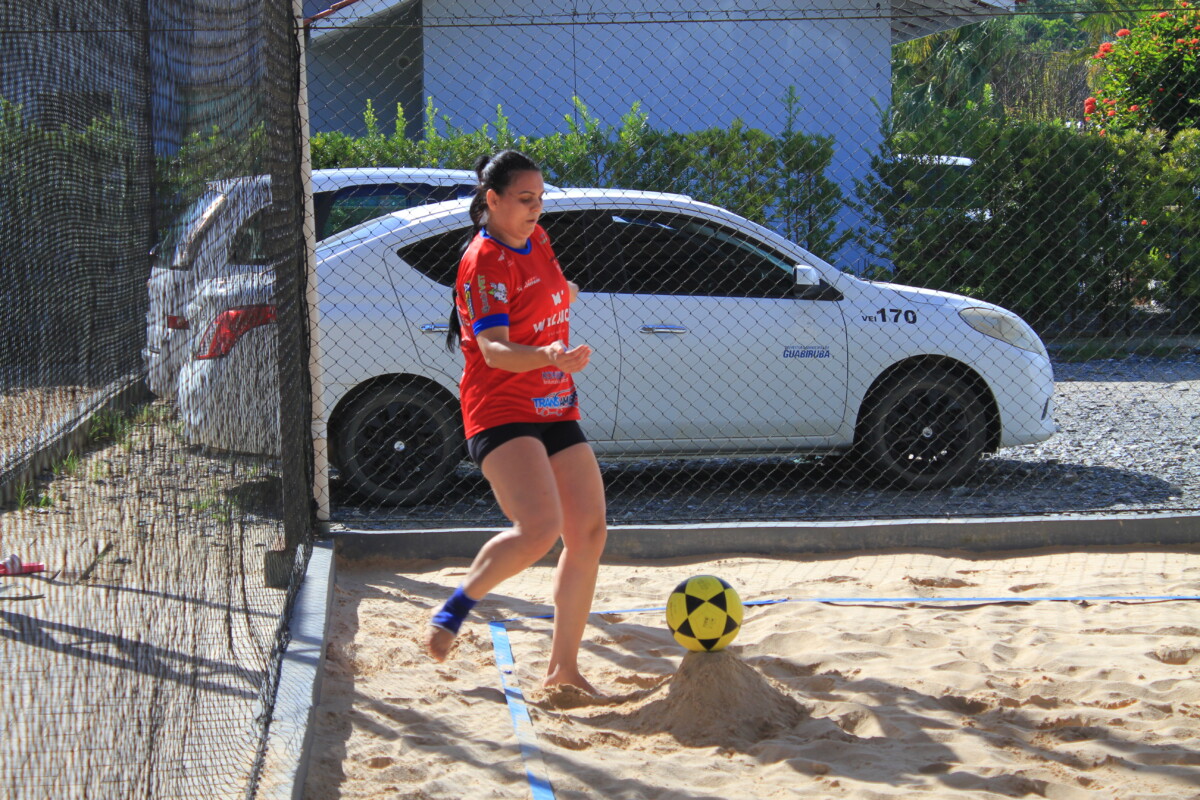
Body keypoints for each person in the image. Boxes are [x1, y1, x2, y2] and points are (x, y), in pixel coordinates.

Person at [424, 149, 608, 694]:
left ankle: (563, 670)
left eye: (541, 198)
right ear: (493, 199)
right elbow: (495, 350)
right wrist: (548, 353)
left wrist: (562, 309)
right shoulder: (483, 260)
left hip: (553, 402)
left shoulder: (538, 239)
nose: (536, 208)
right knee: (539, 529)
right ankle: (457, 606)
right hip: (500, 408)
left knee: (589, 532)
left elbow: (553, 292)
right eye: (526, 199)